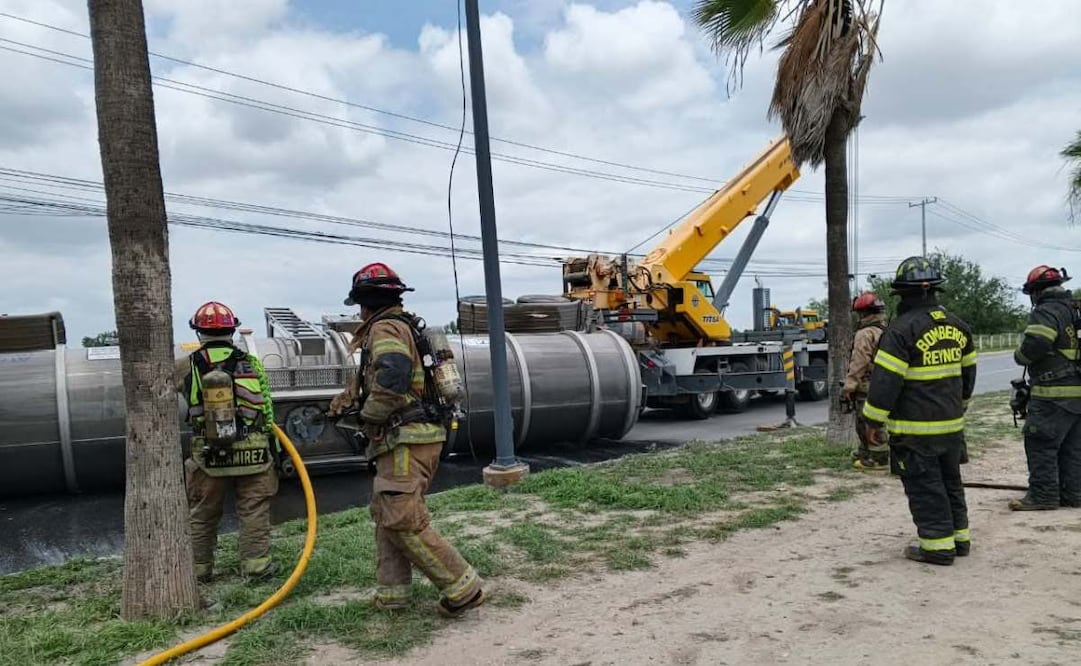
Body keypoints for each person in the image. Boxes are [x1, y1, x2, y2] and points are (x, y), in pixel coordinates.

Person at [327, 262, 486, 617]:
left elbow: (394, 375)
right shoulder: (406, 326)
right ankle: (393, 596)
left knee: (402, 519)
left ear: (365, 304)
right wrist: (346, 399)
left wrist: (369, 416)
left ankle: (464, 589)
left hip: (405, 440)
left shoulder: (383, 328)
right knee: (388, 515)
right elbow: (383, 377)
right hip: (418, 437)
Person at [861, 257, 977, 565]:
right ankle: (959, 540)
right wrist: (959, 407)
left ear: (903, 294)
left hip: (915, 431)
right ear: (934, 291)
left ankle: (937, 547)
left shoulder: (900, 331)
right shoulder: (958, 327)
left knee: (926, 487)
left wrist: (872, 420)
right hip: (951, 427)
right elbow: (967, 377)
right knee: (951, 482)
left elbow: (885, 384)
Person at [175, 301, 280, 582]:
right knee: (254, 510)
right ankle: (257, 568)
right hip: (253, 451)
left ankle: (199, 571)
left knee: (203, 513)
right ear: (232, 330)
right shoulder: (251, 362)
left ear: (199, 333)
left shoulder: (186, 364)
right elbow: (265, 408)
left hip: (210, 453)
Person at [1009, 265, 1081, 510]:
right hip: (1077, 394)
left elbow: (1036, 344)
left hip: (1053, 394)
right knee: (1072, 447)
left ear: (1036, 292)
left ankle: (1043, 496)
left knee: (1041, 442)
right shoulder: (1074, 309)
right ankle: (1073, 495)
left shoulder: (1047, 310)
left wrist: (1020, 355)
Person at [842, 291, 889, 472]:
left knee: (866, 420)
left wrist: (849, 385)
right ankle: (865, 451)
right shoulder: (885, 330)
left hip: (866, 384)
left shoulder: (865, 333)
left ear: (864, 313)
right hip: (882, 382)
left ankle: (878, 458)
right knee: (874, 419)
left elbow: (859, 361)